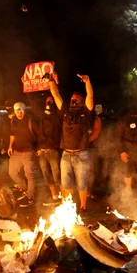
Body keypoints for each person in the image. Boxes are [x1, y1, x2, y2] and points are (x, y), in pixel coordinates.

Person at [45, 72, 94, 210]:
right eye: (72, 99)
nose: (74, 101)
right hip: (66, 155)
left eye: (77, 99)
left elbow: (90, 96)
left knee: (82, 184)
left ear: (82, 101)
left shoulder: (86, 112)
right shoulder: (65, 111)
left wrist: (87, 82)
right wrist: (50, 81)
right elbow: (56, 95)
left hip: (81, 155)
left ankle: (83, 207)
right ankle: (69, 208)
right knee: (66, 184)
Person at [34, 96, 63, 206]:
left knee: (57, 176)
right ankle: (54, 197)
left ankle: (64, 198)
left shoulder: (57, 116)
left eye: (51, 100)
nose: (49, 102)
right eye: (47, 100)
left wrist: (55, 87)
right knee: (46, 175)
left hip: (53, 151)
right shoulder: (42, 116)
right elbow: (33, 105)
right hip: (42, 151)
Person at [8, 102, 36, 207]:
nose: (19, 113)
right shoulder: (13, 121)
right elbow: (12, 134)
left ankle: (30, 196)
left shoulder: (30, 120)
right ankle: (24, 187)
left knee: (29, 175)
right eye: (17, 111)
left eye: (21, 111)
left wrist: (38, 148)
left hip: (28, 151)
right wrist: (10, 146)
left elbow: (37, 134)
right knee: (12, 172)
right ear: (14, 112)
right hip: (17, 151)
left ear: (25, 111)